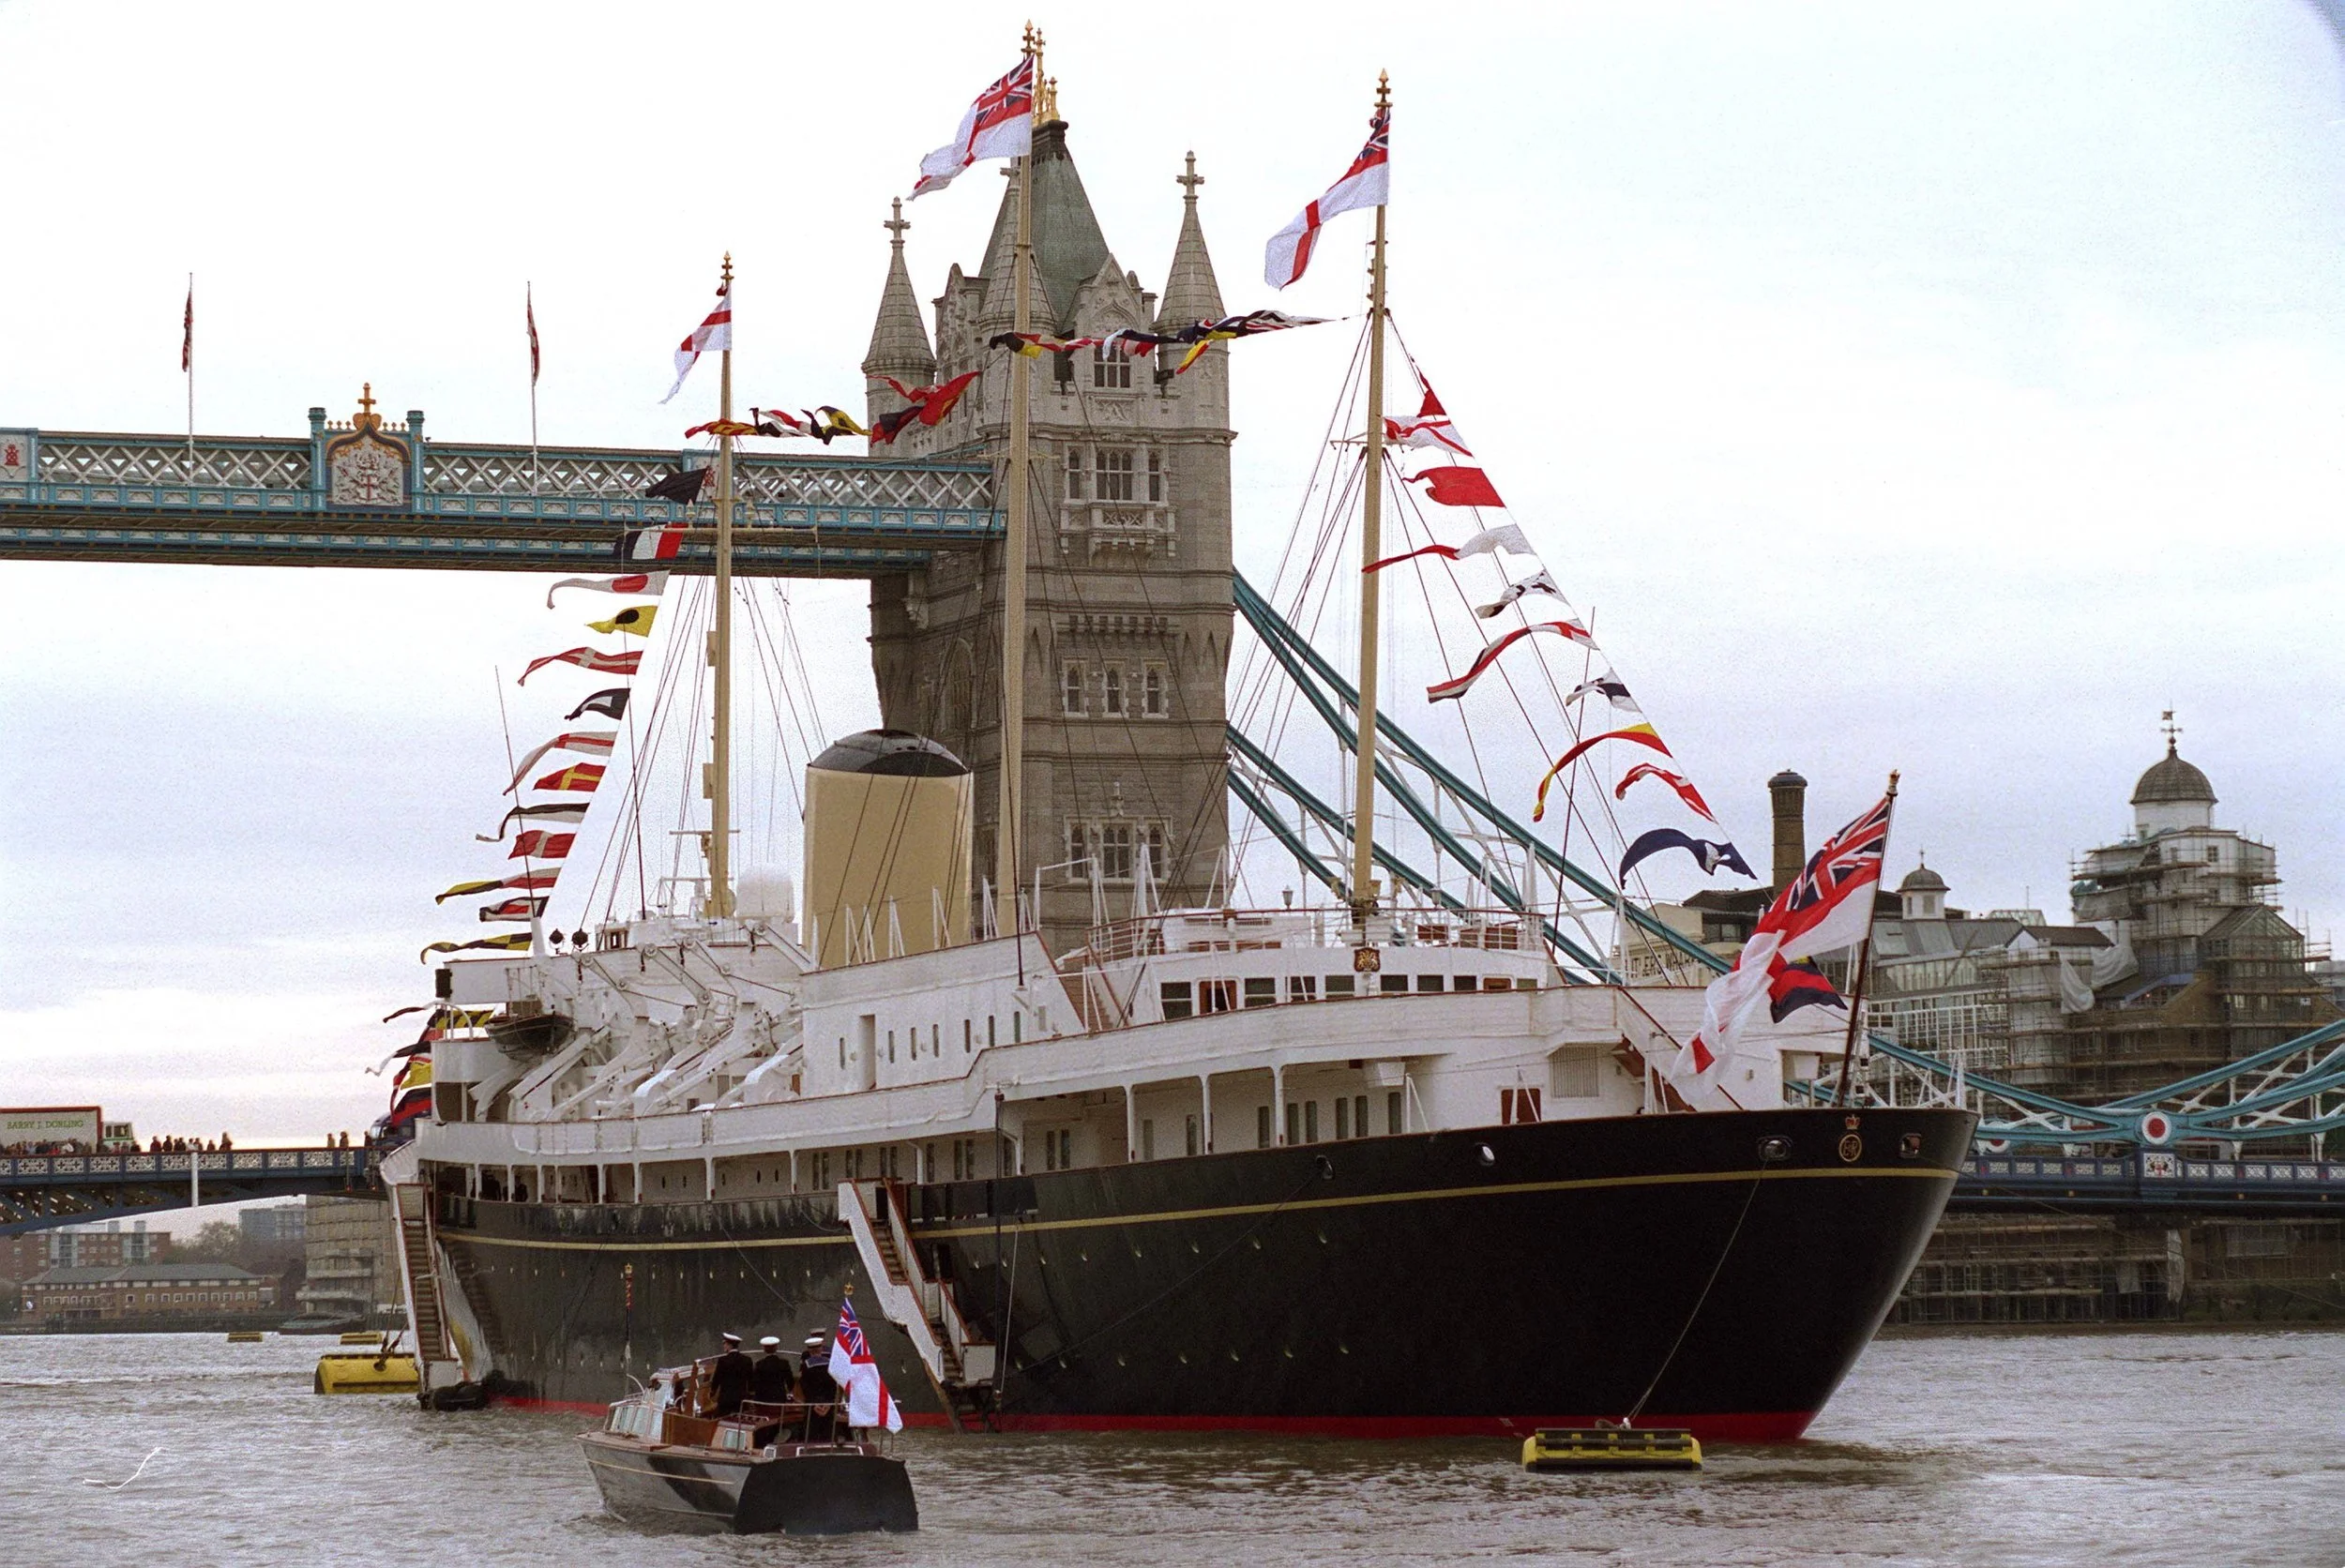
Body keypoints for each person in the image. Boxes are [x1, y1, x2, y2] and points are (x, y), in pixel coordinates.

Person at [798, 1334, 838, 1442]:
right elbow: (833, 1385)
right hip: (828, 1403)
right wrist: (829, 1403)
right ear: (821, 1349)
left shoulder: (806, 1365)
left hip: (812, 1404)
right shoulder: (830, 1364)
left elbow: (805, 1386)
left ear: (809, 1351)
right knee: (829, 1428)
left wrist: (814, 1403)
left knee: (811, 1429)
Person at [709, 1332, 754, 1420]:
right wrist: (750, 1395)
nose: (724, 1346)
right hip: (741, 1399)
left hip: (725, 1400)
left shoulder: (722, 1361)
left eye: (725, 1344)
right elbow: (751, 1380)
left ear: (729, 1345)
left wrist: (712, 1392)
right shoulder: (747, 1360)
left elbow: (717, 1379)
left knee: (718, 1418)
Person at [749, 1335, 794, 1405]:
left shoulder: (759, 1364)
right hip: (779, 1396)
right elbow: (790, 1380)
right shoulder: (784, 1363)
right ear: (776, 1348)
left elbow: (755, 1381)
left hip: (762, 1397)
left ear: (764, 1349)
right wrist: (790, 1391)